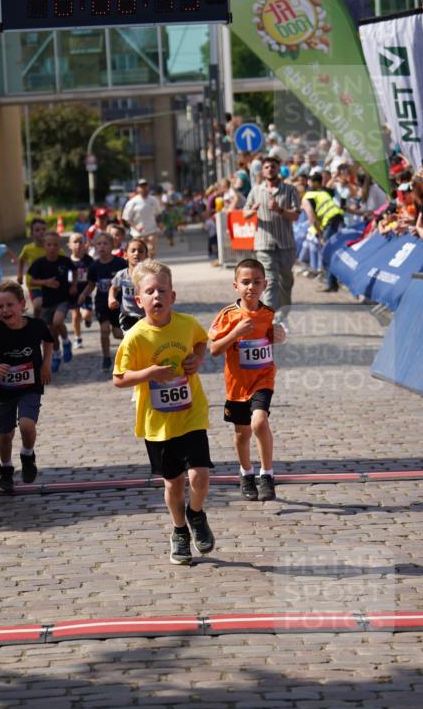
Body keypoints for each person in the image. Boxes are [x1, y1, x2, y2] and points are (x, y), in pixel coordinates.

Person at [113, 260, 215, 565]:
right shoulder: (136, 336)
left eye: (162, 290)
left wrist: (197, 360)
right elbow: (119, 378)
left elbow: (201, 341)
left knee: (199, 475)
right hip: (157, 422)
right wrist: (149, 374)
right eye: (149, 292)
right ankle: (179, 530)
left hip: (191, 412)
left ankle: (196, 514)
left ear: (173, 296)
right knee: (174, 483)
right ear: (138, 299)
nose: (156, 296)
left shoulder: (186, 324)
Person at [208, 259, 287, 502]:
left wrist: (280, 336)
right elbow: (214, 349)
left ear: (265, 284)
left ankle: (267, 474)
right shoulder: (227, 315)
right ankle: (246, 473)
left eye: (256, 281)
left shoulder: (269, 314)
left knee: (259, 422)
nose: (251, 286)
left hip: (263, 378)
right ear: (236, 285)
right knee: (242, 434)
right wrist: (235, 333)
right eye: (245, 282)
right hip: (237, 385)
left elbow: (274, 337)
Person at [0, 280, 53, 493]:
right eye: (0, 306)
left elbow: (48, 341)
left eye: (10, 305)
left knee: (27, 425)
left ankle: (27, 455)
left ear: (22, 304)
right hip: (5, 389)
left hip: (31, 386)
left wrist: (46, 364)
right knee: (5, 434)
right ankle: (6, 468)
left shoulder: (36, 326)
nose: (5, 310)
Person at [245, 156, 300, 323]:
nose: (270, 170)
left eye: (273, 167)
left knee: (286, 281)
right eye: (267, 167)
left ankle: (283, 313)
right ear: (263, 171)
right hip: (264, 244)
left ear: (278, 169)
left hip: (286, 244)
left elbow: (296, 216)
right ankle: (271, 318)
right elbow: (245, 214)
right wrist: (252, 211)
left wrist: (280, 210)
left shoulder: (290, 190)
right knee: (270, 281)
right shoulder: (256, 191)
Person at [27, 231, 73, 373]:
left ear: (59, 246)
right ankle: (56, 354)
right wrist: (46, 282)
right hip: (47, 302)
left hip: (63, 299)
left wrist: (74, 285)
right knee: (51, 333)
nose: (52, 248)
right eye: (49, 245)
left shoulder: (64, 261)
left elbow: (74, 271)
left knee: (57, 322)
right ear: (44, 246)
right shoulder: (39, 263)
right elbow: (31, 281)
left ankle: (66, 341)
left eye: (55, 245)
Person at [79, 231, 124, 372]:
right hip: (101, 303)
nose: (102, 246)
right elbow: (91, 284)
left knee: (118, 334)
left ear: (112, 245)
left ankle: (131, 348)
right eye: (99, 244)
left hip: (118, 304)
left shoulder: (120, 263)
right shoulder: (94, 266)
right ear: (95, 247)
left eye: (105, 243)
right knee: (104, 331)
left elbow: (129, 279)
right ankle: (106, 357)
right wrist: (83, 294)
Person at [301, 171, 345, 292]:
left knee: (327, 253)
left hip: (331, 223)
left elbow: (312, 218)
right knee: (334, 252)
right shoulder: (323, 192)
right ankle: (332, 282)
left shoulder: (308, 197)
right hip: (339, 220)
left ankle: (331, 283)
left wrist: (319, 234)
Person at [108, 237, 148, 333]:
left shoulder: (149, 276)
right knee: (130, 338)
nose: (136, 253)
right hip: (127, 316)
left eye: (140, 251)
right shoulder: (121, 275)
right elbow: (113, 288)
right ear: (125, 255)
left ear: (146, 256)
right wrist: (111, 298)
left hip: (145, 315)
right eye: (133, 251)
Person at [121, 179, 162, 257]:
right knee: (139, 253)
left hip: (151, 230)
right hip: (138, 233)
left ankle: (149, 263)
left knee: (151, 250)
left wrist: (159, 223)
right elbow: (126, 218)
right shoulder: (133, 202)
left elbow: (159, 213)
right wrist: (135, 226)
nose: (144, 189)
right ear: (137, 189)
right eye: (141, 187)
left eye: (145, 186)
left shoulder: (153, 199)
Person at [66, 231, 93, 349]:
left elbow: (92, 280)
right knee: (75, 315)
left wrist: (86, 292)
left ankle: (88, 319)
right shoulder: (67, 261)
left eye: (80, 242)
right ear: (69, 245)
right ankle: (78, 338)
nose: (78, 244)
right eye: (75, 242)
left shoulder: (89, 260)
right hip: (73, 291)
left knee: (86, 314)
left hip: (86, 290)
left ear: (85, 244)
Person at [17, 217, 47, 318]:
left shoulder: (51, 247)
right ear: (32, 234)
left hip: (50, 283)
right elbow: (21, 260)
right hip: (34, 284)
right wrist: (20, 274)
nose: (41, 232)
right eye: (37, 230)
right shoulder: (27, 249)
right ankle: (36, 322)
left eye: (44, 229)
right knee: (38, 305)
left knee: (49, 307)